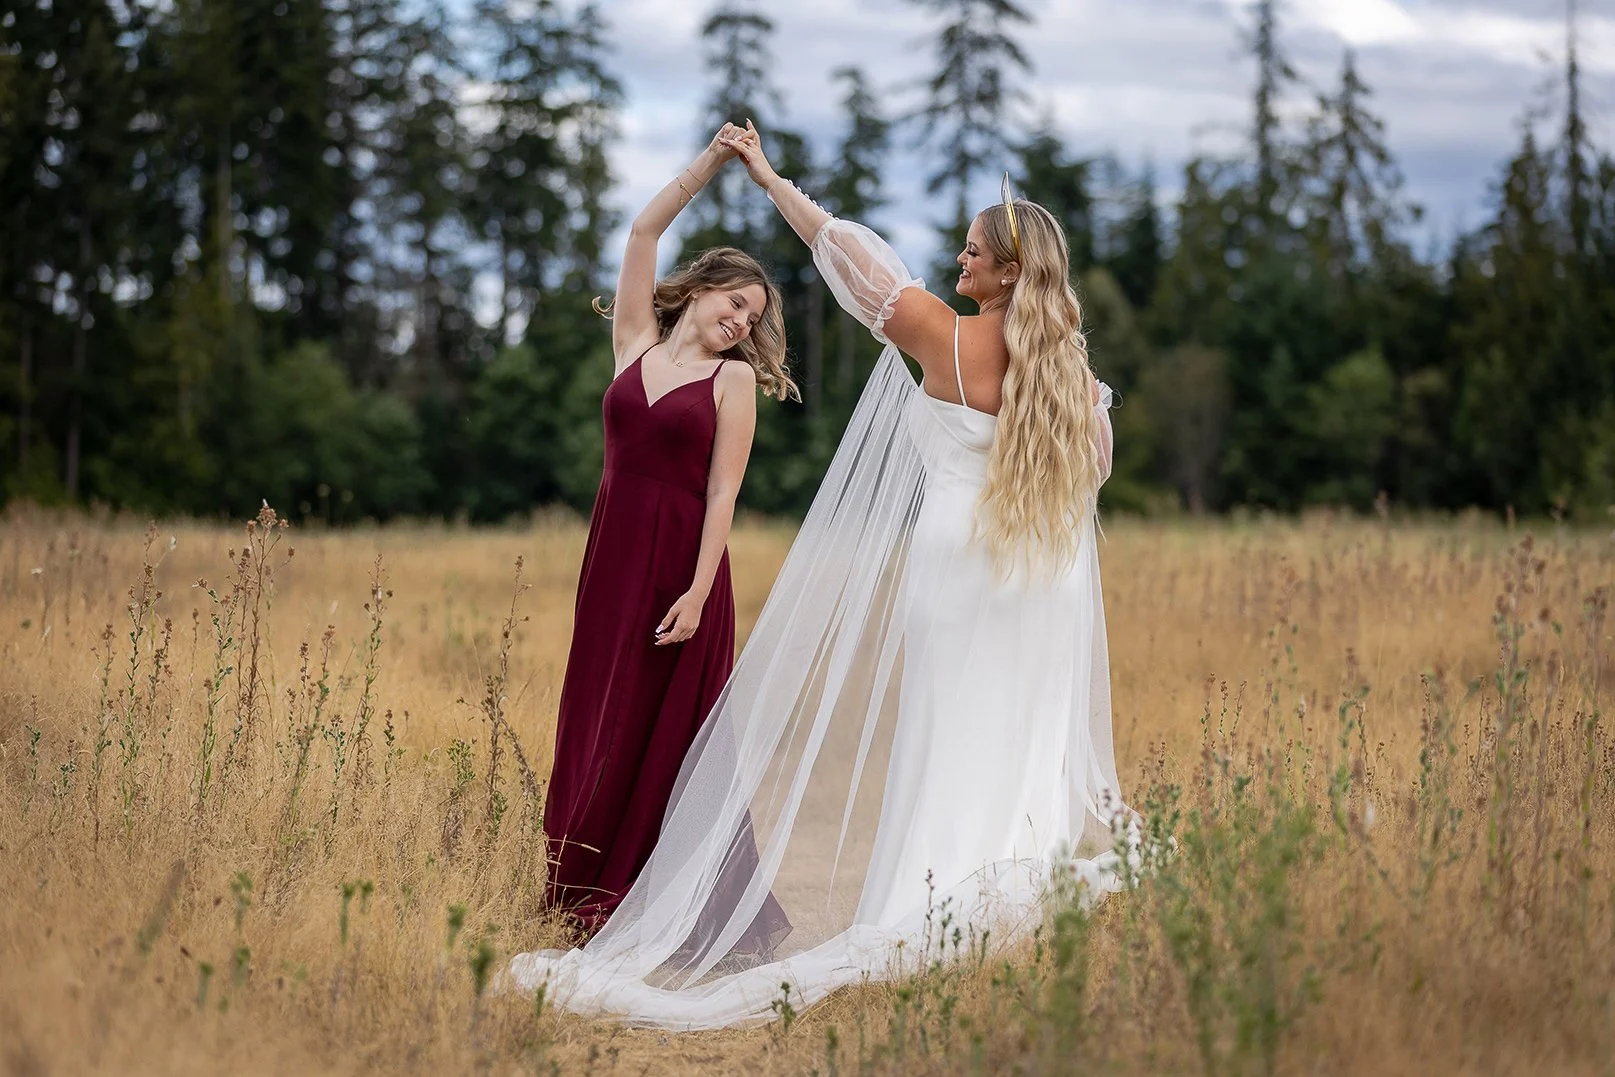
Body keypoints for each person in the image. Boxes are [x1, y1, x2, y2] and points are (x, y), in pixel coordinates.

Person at [510, 121, 1129, 1029]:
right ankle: (1013, 902)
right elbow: (1094, 473)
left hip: (961, 563)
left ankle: (924, 905)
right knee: (1023, 738)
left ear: (1004, 273)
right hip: (1048, 573)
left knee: (948, 738)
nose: (959, 258)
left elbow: (848, 260)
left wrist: (770, 180)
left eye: (972, 250)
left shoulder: (949, 341)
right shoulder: (1068, 371)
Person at [542, 122, 798, 936]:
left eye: (753, 317)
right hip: (612, 566)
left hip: (683, 577)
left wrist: (696, 591)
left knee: (672, 739)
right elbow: (643, 232)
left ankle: (676, 904)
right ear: (701, 288)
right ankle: (578, 886)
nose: (742, 322)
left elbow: (723, 492)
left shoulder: (733, 382)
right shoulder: (633, 344)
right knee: (599, 716)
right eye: (736, 302)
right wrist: (714, 161)